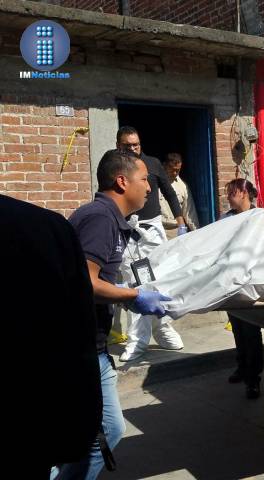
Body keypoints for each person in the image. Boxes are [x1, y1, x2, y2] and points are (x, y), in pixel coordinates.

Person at [54, 149, 173, 479]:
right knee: (108, 429)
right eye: (144, 179)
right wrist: (133, 296)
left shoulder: (104, 217)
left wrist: (122, 292)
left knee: (84, 433)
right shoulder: (101, 218)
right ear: (122, 182)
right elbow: (85, 282)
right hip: (81, 346)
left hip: (88, 343)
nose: (149, 187)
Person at [1, 194, 101, 479]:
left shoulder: (47, 227)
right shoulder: (44, 227)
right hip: (26, 430)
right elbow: (76, 340)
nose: (149, 188)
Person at [116, 126, 185, 362]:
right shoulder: (114, 166)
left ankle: (162, 328)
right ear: (119, 146)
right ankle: (137, 340)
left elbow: (170, 193)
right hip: (127, 229)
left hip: (153, 229)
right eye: (127, 145)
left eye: (135, 144)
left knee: (159, 280)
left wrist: (181, 222)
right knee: (134, 284)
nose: (132, 149)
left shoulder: (153, 163)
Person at [221, 178, 264, 399]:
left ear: (244, 193)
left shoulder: (259, 217)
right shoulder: (226, 219)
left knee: (251, 330)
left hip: (250, 281)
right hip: (231, 281)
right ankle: (242, 366)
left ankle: (253, 378)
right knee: (237, 327)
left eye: (232, 193)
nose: (228, 197)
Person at [159, 152, 199, 239]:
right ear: (164, 165)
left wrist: (197, 233)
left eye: (177, 170)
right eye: (172, 169)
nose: (175, 173)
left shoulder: (183, 186)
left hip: (175, 230)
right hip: (158, 230)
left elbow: (189, 212)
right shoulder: (155, 184)